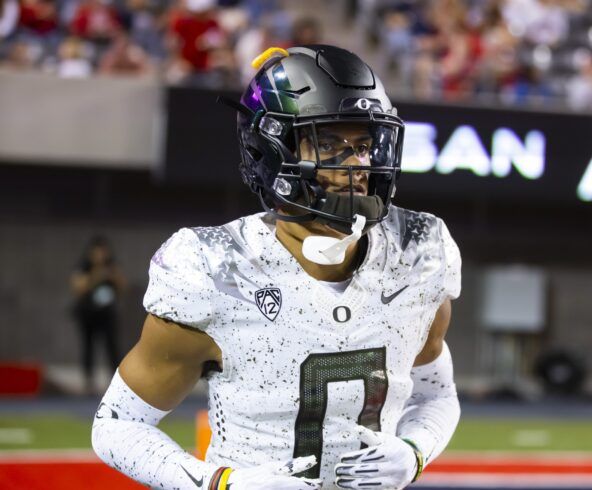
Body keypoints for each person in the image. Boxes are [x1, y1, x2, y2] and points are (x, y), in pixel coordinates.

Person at [92, 44, 461, 490]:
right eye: (328, 143)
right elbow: (117, 426)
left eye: (363, 145)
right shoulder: (215, 267)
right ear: (271, 149)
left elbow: (435, 394)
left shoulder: (418, 251)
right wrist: (222, 483)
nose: (357, 164)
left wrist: (416, 450)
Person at [71, 235, 126, 394]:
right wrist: (97, 275)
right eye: (97, 251)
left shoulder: (112, 266)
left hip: (107, 314)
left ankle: (117, 382)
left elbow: (122, 287)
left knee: (112, 348)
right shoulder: (84, 266)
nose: (101, 255)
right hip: (88, 314)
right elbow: (78, 288)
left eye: (103, 251)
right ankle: (88, 382)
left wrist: (112, 275)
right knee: (88, 347)